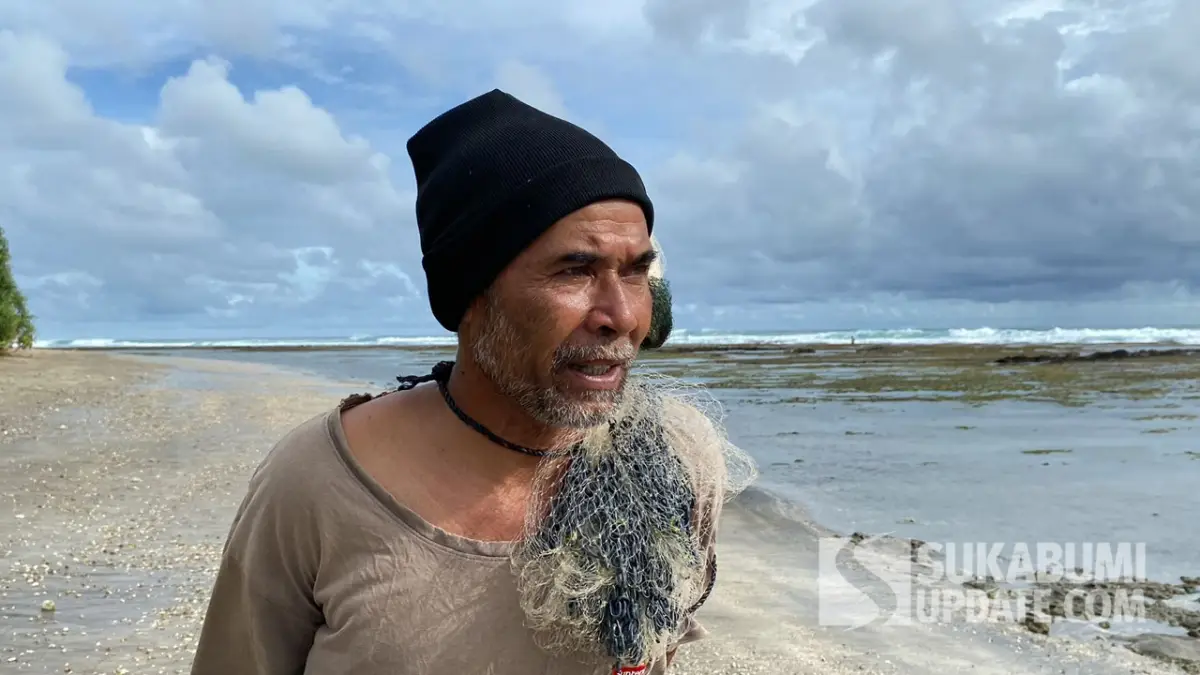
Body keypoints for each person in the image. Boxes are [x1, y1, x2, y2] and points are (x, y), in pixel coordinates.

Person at [189, 89, 752, 675]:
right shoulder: (316, 481)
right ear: (470, 294)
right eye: (575, 270)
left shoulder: (671, 459)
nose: (624, 317)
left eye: (635, 272)